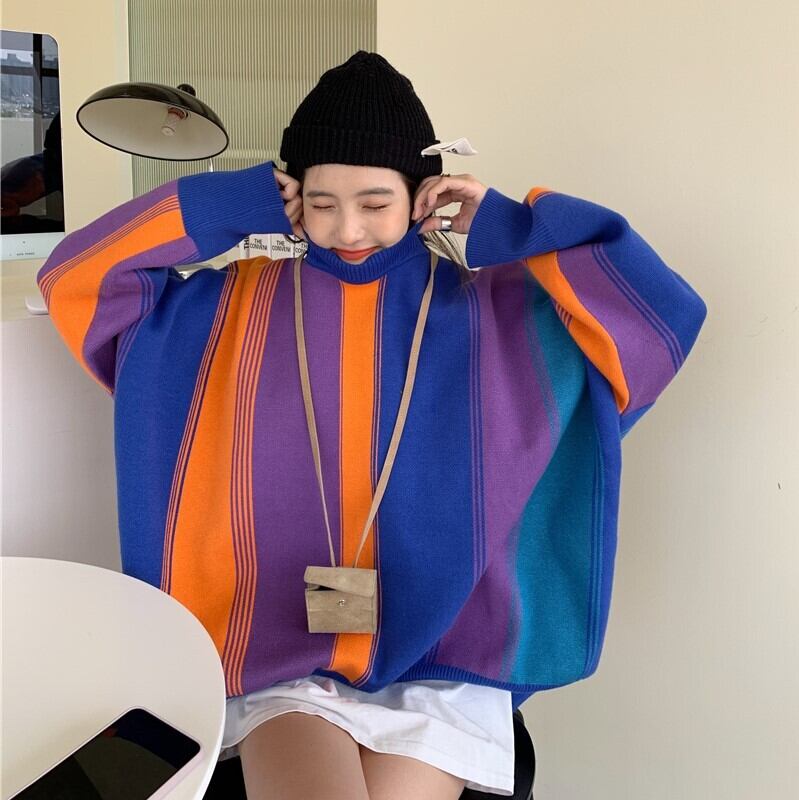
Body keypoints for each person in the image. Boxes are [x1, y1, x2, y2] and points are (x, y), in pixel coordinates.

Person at [37, 51, 707, 799]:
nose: (346, 226)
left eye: (374, 201)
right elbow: (75, 278)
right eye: (320, 202)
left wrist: (509, 226)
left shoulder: (495, 312)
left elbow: (661, 319)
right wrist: (224, 206)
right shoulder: (225, 308)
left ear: (423, 196)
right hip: (275, 647)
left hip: (446, 652)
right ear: (291, 199)